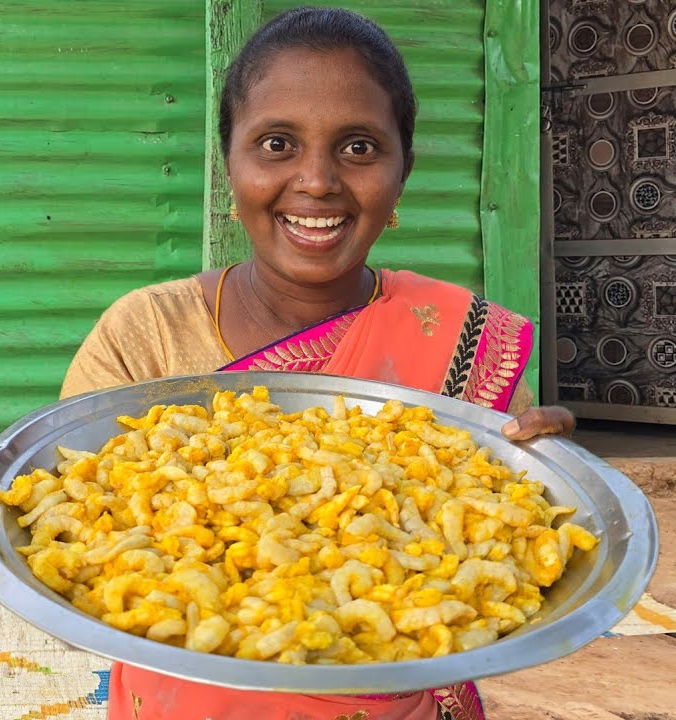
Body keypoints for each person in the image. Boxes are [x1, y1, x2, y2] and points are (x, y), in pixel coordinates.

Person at [61, 7, 573, 719]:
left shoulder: (461, 338)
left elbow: (508, 523)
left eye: (359, 147)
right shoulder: (144, 334)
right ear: (230, 162)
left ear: (403, 172)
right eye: (276, 143)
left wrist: (547, 470)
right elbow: (74, 543)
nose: (316, 181)